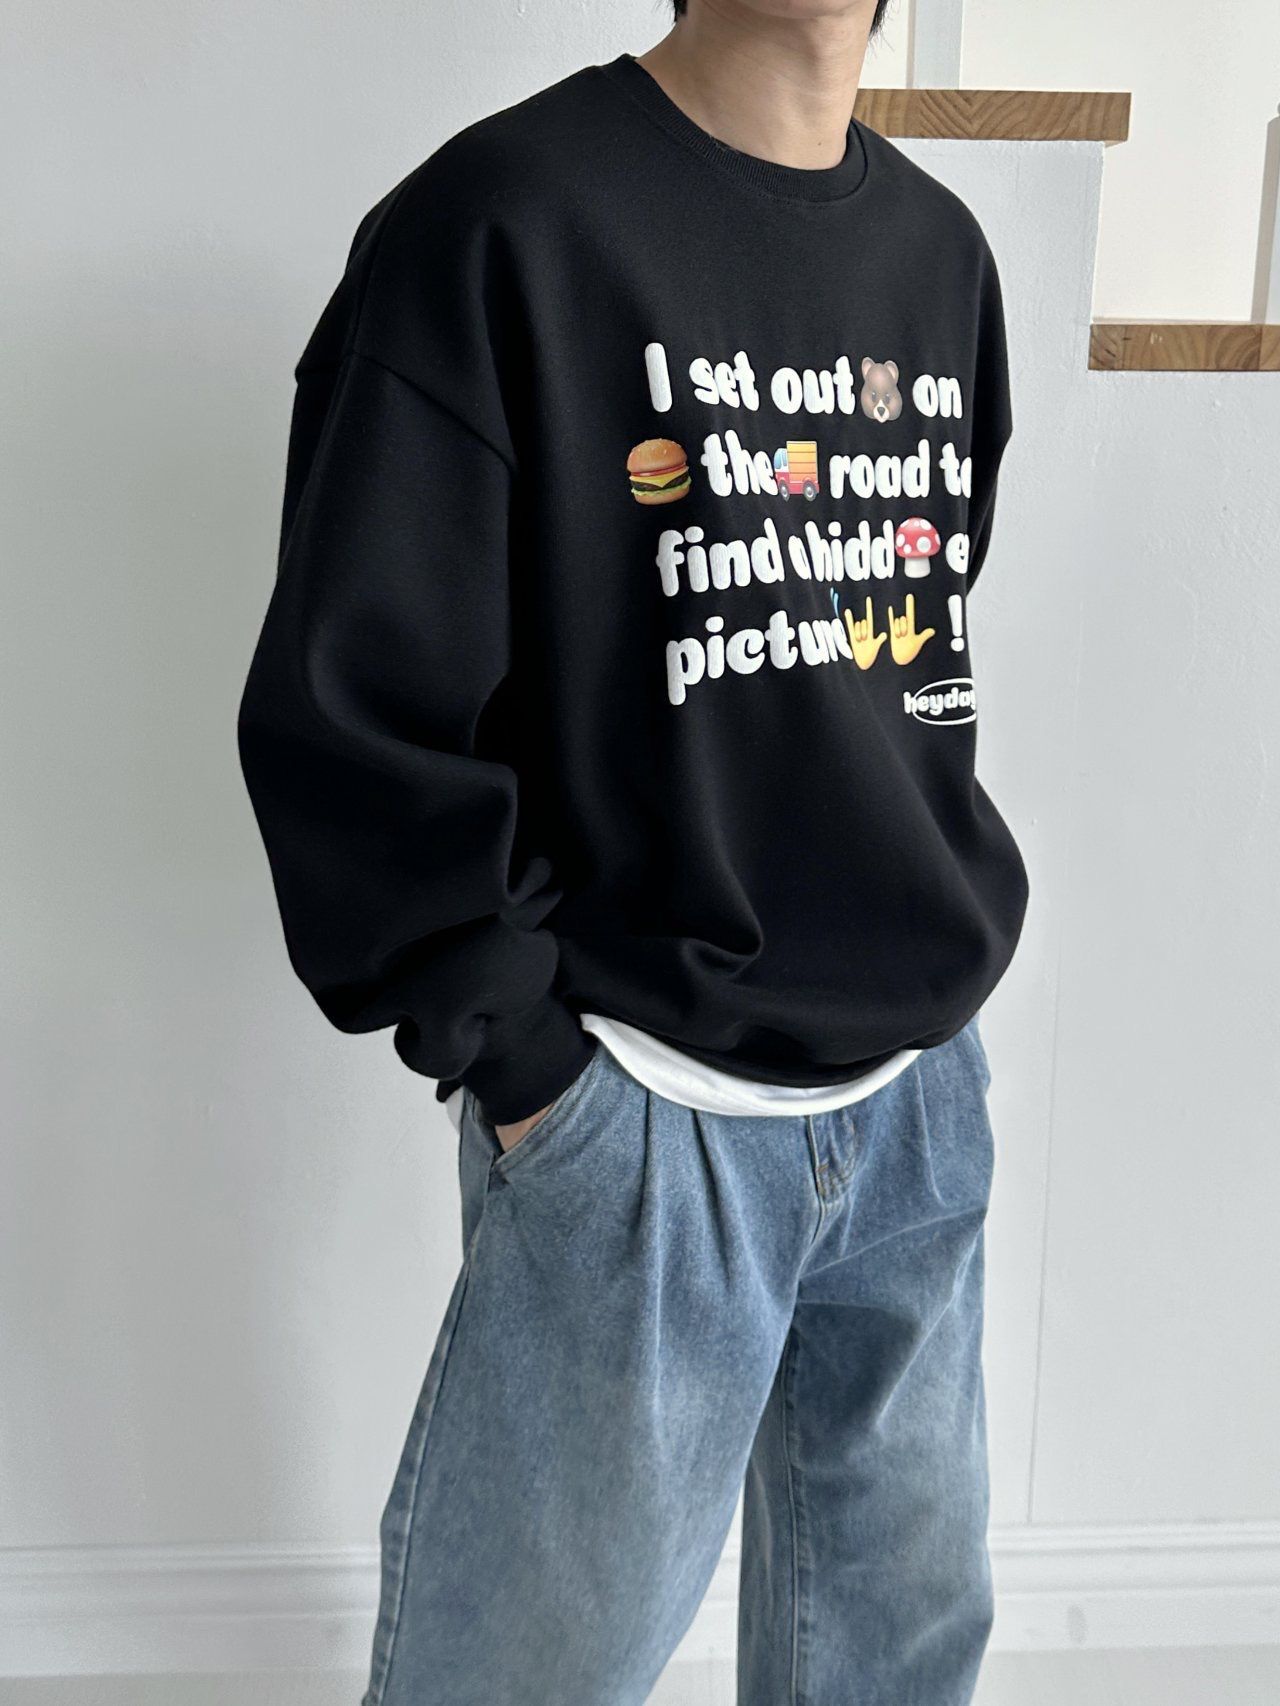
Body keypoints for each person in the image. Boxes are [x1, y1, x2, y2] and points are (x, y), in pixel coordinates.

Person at [237, 0, 1029, 1699]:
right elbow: (354, 707)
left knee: (897, 1663)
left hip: (914, 1109)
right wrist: (528, 1069)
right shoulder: (497, 223)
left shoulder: (943, 258)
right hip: (640, 1117)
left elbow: (905, 640)